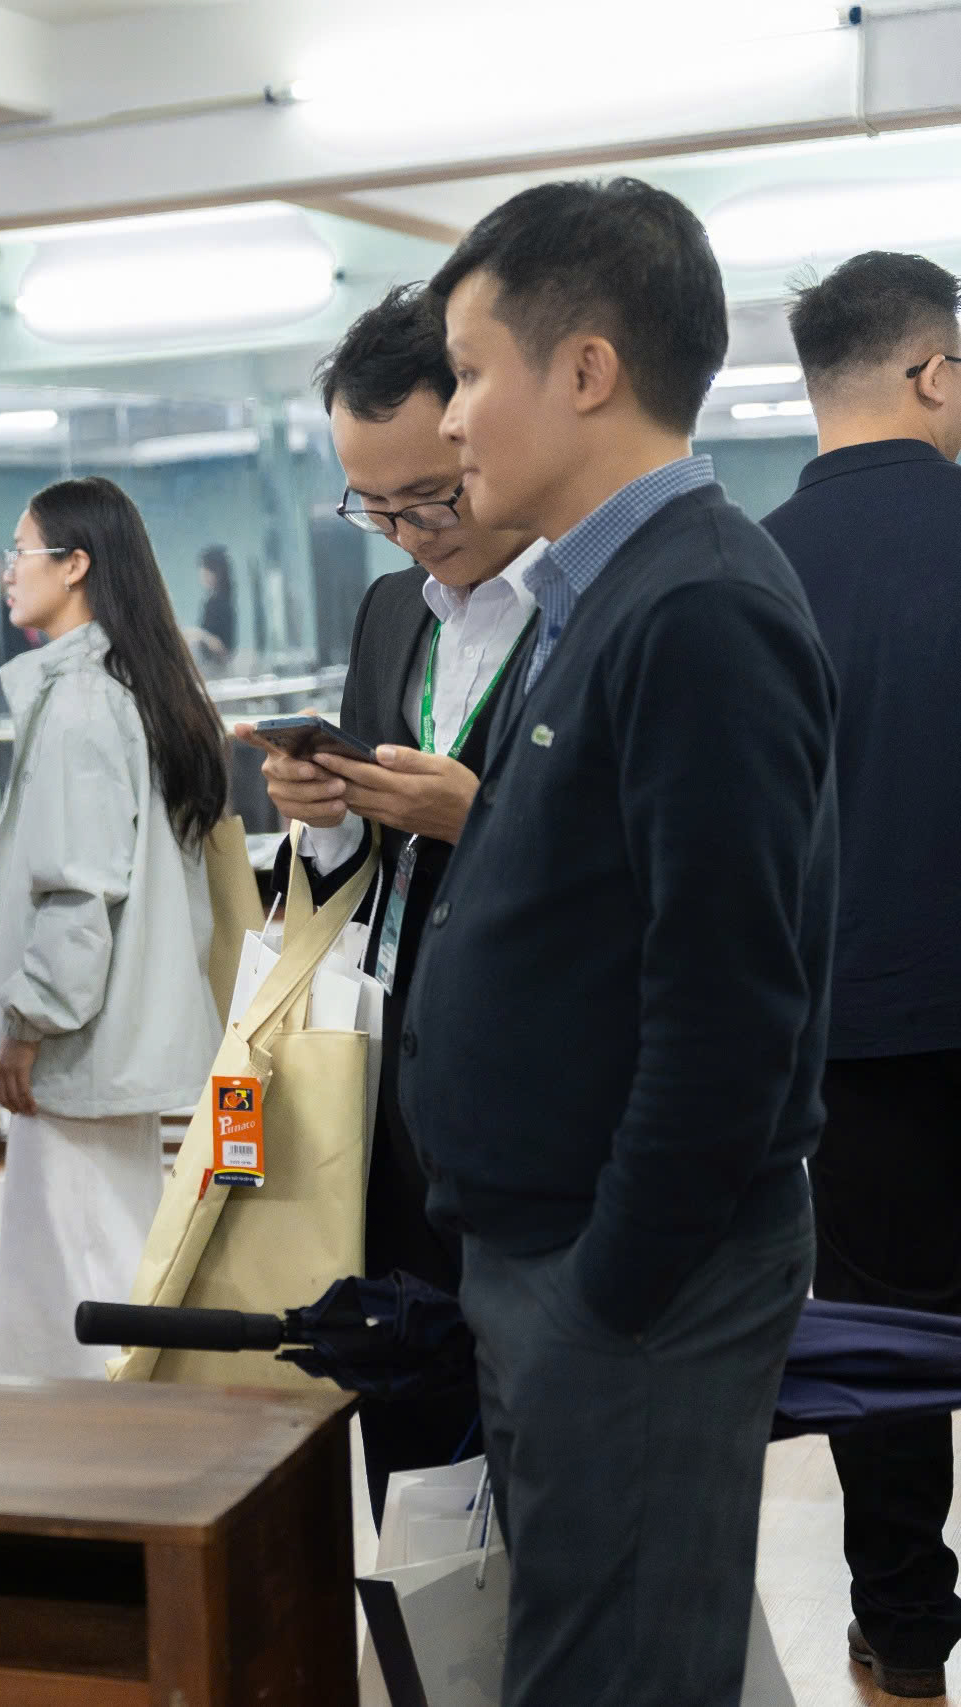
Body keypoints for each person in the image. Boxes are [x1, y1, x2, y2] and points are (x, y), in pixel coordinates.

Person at [408, 179, 833, 1706]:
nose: (450, 419)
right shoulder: (597, 597)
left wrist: (613, 1287)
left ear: (586, 369)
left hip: (630, 1276)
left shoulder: (697, 606)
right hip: (559, 1254)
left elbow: (727, 1000)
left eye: (471, 371)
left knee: (618, 1677)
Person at [241, 282, 544, 1518]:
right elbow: (362, 869)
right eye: (373, 507)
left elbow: (644, 860)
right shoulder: (387, 615)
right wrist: (319, 812)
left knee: (539, 1458)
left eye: (431, 498)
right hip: (386, 1092)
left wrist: (484, 820)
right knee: (412, 1437)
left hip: (537, 1107)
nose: (408, 532)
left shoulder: (590, 617)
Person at [761, 249, 961, 1700]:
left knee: (888, 1346)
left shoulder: (749, 570)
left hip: (846, 1035)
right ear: (934, 371)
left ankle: (901, 1640)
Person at [0, 477, 228, 1379]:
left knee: (87, 1285)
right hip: (110, 1040)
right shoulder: (133, 687)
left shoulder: (83, 703)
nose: (7, 571)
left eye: (21, 551)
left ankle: (121, 1456)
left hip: (77, 1045)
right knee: (105, 1255)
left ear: (76, 563)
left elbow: (78, 896)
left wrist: (29, 1022)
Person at [188, 544, 237, 672]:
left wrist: (199, 635)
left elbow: (221, 646)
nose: (202, 574)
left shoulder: (218, 603)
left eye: (205, 569)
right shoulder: (218, 600)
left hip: (215, 668)